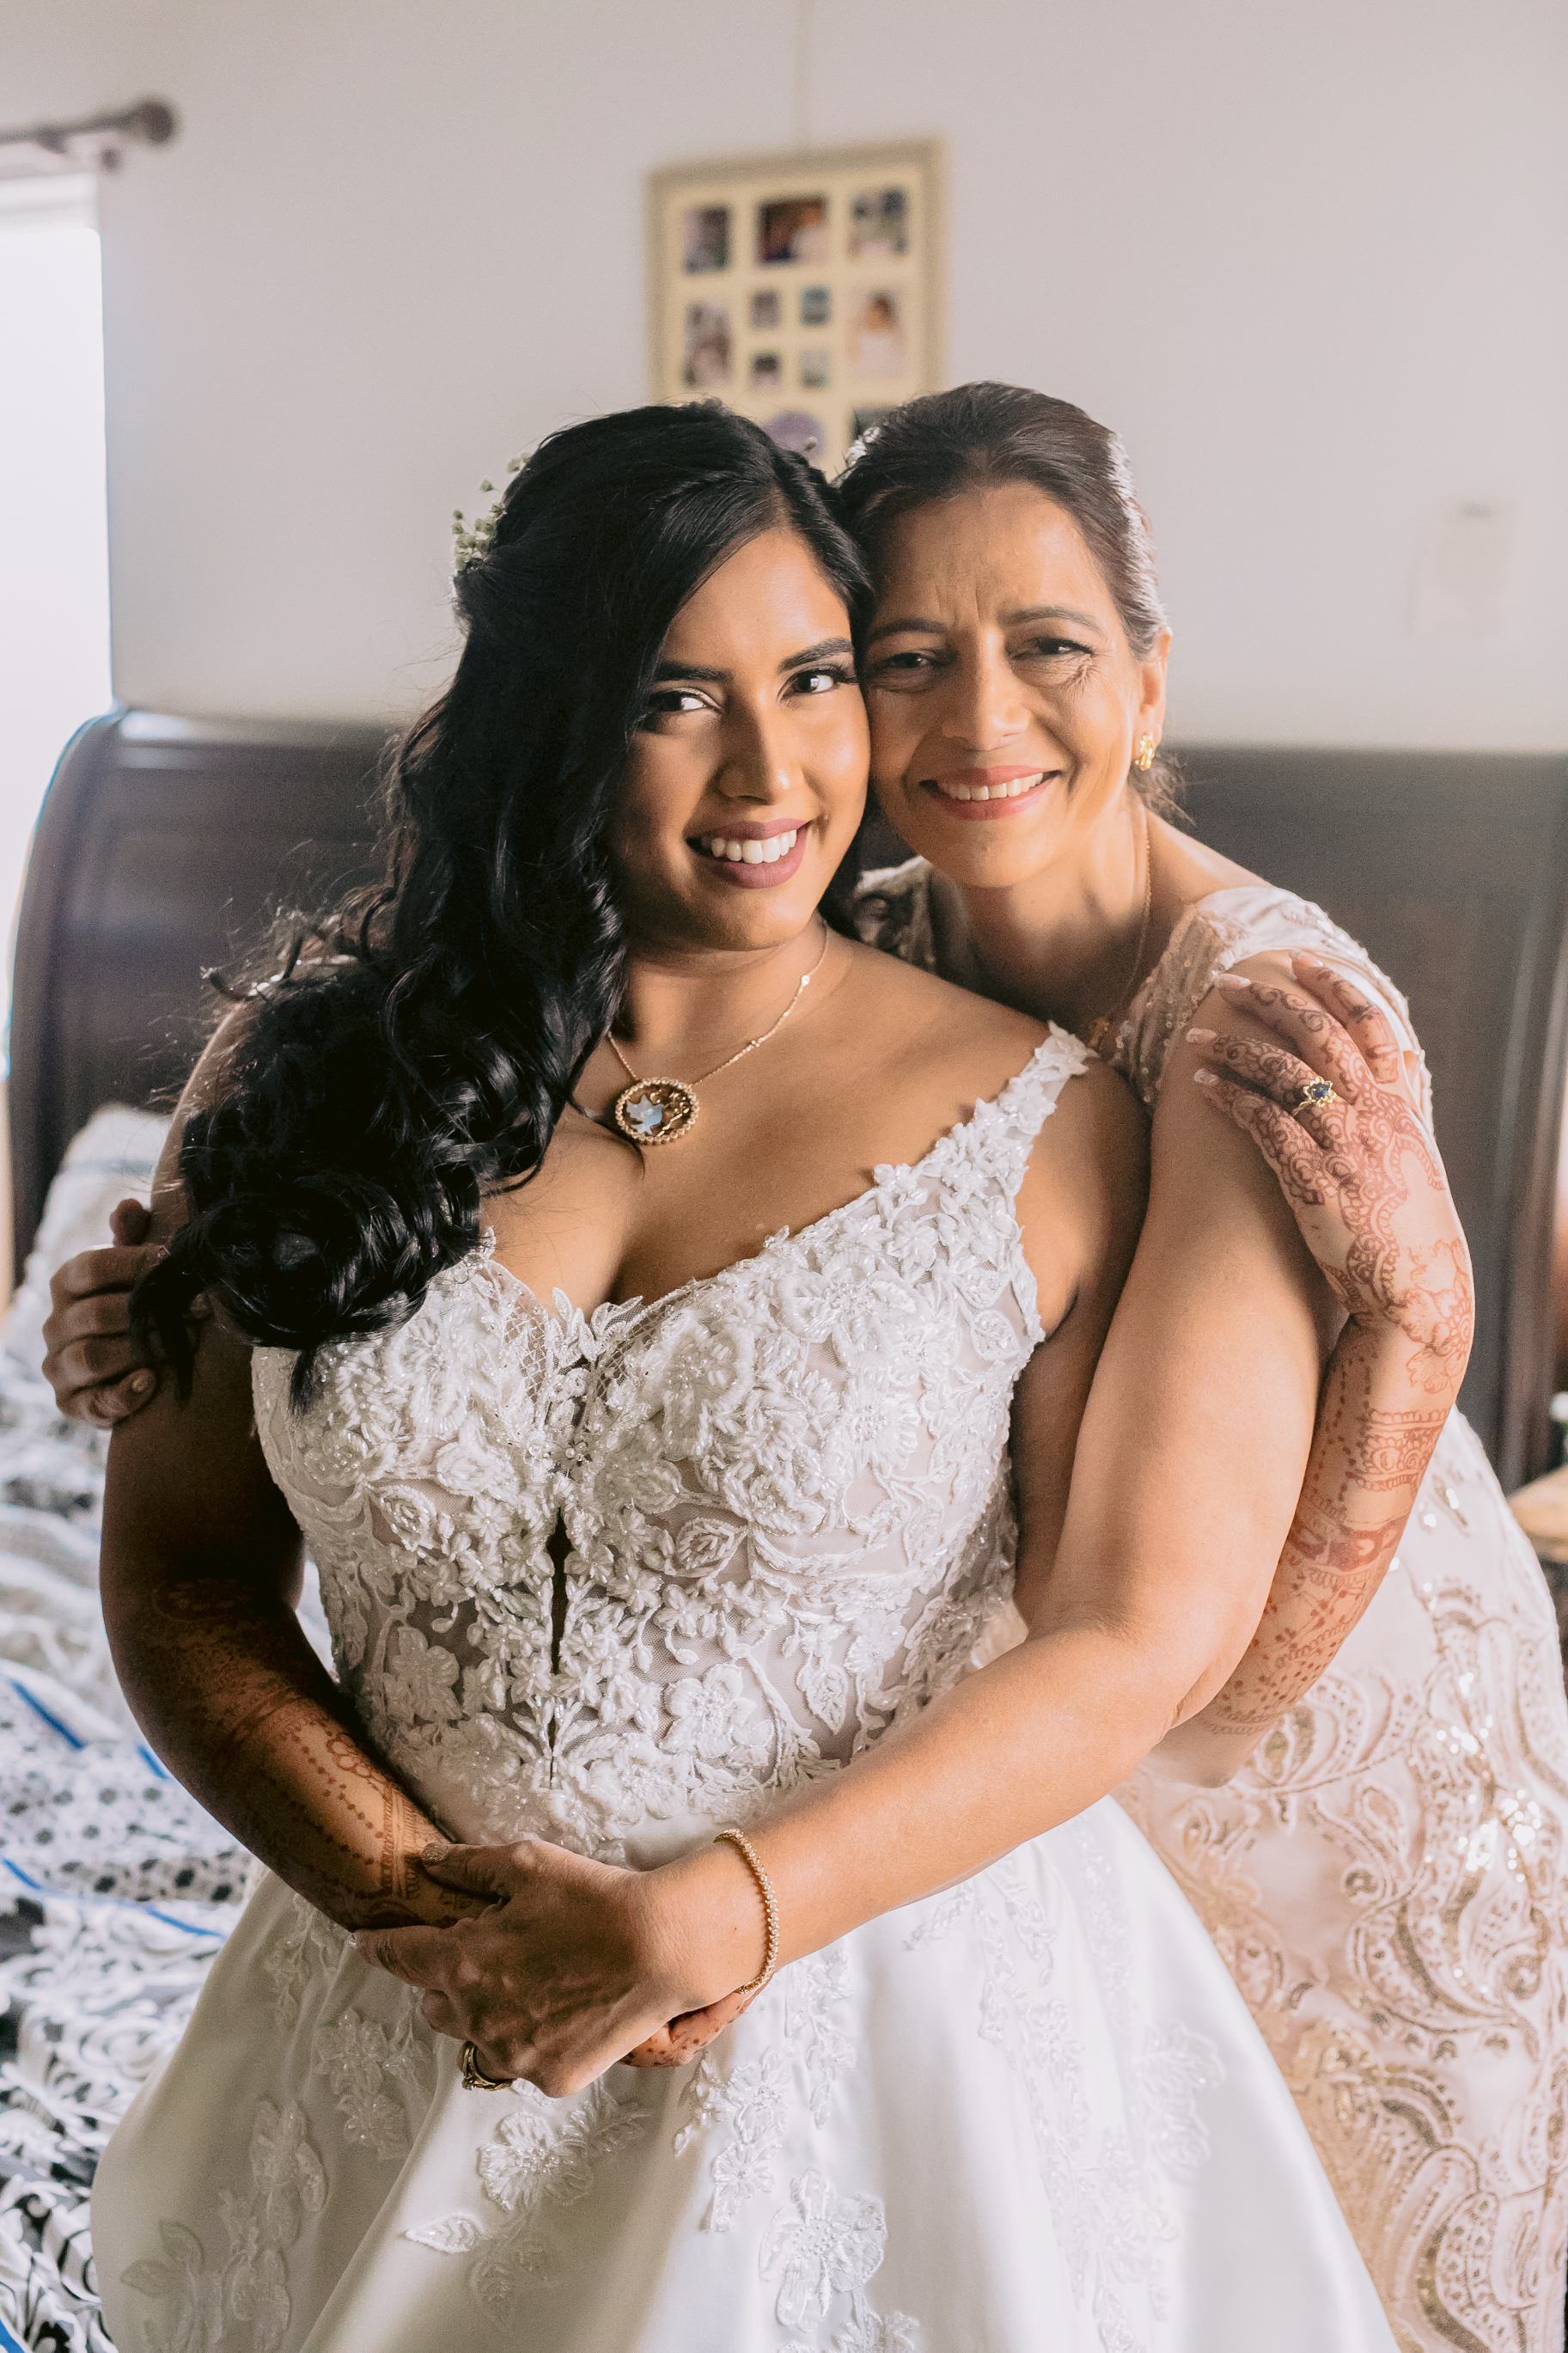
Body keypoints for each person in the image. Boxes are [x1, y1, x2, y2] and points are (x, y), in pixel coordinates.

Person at [79, 404, 1401, 2352]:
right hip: (397, 2018)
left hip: (869, 2059)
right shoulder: (300, 1078)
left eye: (814, 678)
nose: (771, 770)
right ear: (548, 715)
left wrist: (714, 1917)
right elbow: (184, 1577)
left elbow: (1125, 1638)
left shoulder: (1057, 1131)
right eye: (674, 696)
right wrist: (430, 1918)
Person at [838, 382, 1568, 2352]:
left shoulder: (1268, 1014)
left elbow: (1207, 1683)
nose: (981, 717)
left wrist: (1419, 1328)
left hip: (1327, 1748)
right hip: (1071, 1742)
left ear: (1149, 679)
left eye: (1047, 646)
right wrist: (211, 1259)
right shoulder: (863, 951)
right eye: (909, 658)